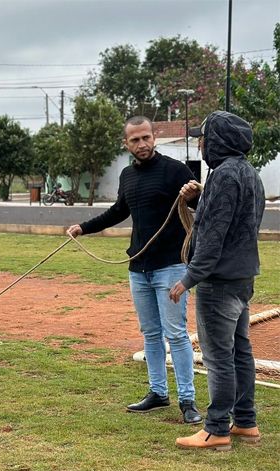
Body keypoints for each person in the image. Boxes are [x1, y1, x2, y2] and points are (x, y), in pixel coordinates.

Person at [67, 116, 202, 424]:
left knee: (177, 334)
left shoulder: (176, 171)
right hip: (138, 268)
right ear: (126, 144)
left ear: (154, 137)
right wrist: (83, 228)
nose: (142, 144)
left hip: (170, 267)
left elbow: (200, 204)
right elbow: (118, 211)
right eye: (135, 140)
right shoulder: (128, 175)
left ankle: (187, 400)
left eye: (146, 138)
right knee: (151, 334)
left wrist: (196, 196)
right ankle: (158, 393)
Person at [171, 111, 265, 451]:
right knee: (240, 352)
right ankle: (246, 422)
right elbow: (236, 221)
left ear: (217, 141)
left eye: (203, 137)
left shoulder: (224, 175)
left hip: (218, 282)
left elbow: (213, 235)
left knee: (218, 358)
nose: (200, 143)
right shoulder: (248, 174)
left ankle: (216, 429)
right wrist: (200, 200)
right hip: (241, 279)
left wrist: (189, 278)